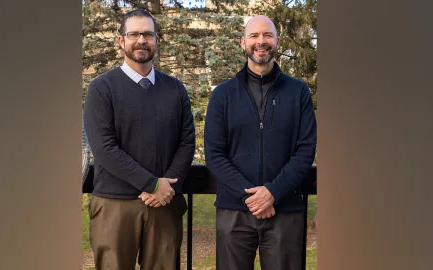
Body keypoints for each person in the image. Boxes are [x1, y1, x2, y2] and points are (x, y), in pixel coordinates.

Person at [83, 9, 195, 270]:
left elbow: (187, 142)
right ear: (121, 41)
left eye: (148, 34)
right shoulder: (102, 88)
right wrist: (153, 184)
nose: (141, 40)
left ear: (157, 40)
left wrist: (166, 189)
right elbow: (104, 149)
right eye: (134, 34)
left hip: (165, 206)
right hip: (115, 205)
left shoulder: (175, 88)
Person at [204, 15, 317, 270]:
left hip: (285, 210)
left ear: (278, 42)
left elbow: (305, 151)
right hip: (234, 210)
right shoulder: (223, 95)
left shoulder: (298, 93)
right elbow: (214, 154)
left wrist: (273, 193)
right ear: (243, 43)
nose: (261, 42)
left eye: (267, 35)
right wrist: (251, 198)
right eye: (254, 36)